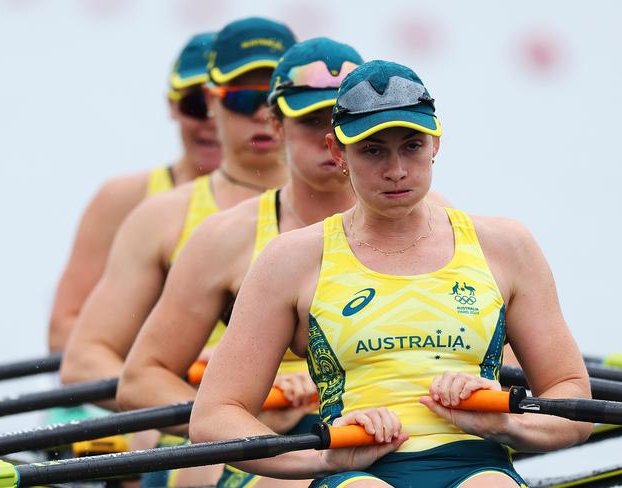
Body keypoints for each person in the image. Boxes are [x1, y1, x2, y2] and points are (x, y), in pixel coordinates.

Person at [189, 60, 592, 488]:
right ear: (336, 152)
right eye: (373, 149)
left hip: (480, 465)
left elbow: (571, 397)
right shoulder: (291, 259)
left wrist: (505, 426)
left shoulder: (506, 245)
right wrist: (321, 459)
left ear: (436, 142)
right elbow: (214, 417)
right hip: (357, 473)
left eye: (412, 146)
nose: (396, 169)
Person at [118, 40, 451, 488]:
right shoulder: (224, 237)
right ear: (275, 125)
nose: (331, 133)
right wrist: (257, 412)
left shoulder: (444, 226)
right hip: (273, 445)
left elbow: (503, 364)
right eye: (311, 120)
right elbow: (140, 382)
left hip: (394, 439)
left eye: (345, 118)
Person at [59, 16, 296, 487]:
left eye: (276, 101)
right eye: (244, 99)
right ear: (211, 102)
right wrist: (221, 408)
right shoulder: (160, 214)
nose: (262, 115)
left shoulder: (368, 208)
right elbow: (84, 358)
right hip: (202, 423)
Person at [48, 32, 221, 353]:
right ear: (172, 105)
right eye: (197, 105)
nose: (213, 121)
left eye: (233, 104)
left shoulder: (300, 197)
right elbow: (62, 332)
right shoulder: (123, 198)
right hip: (170, 390)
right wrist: (174, 364)